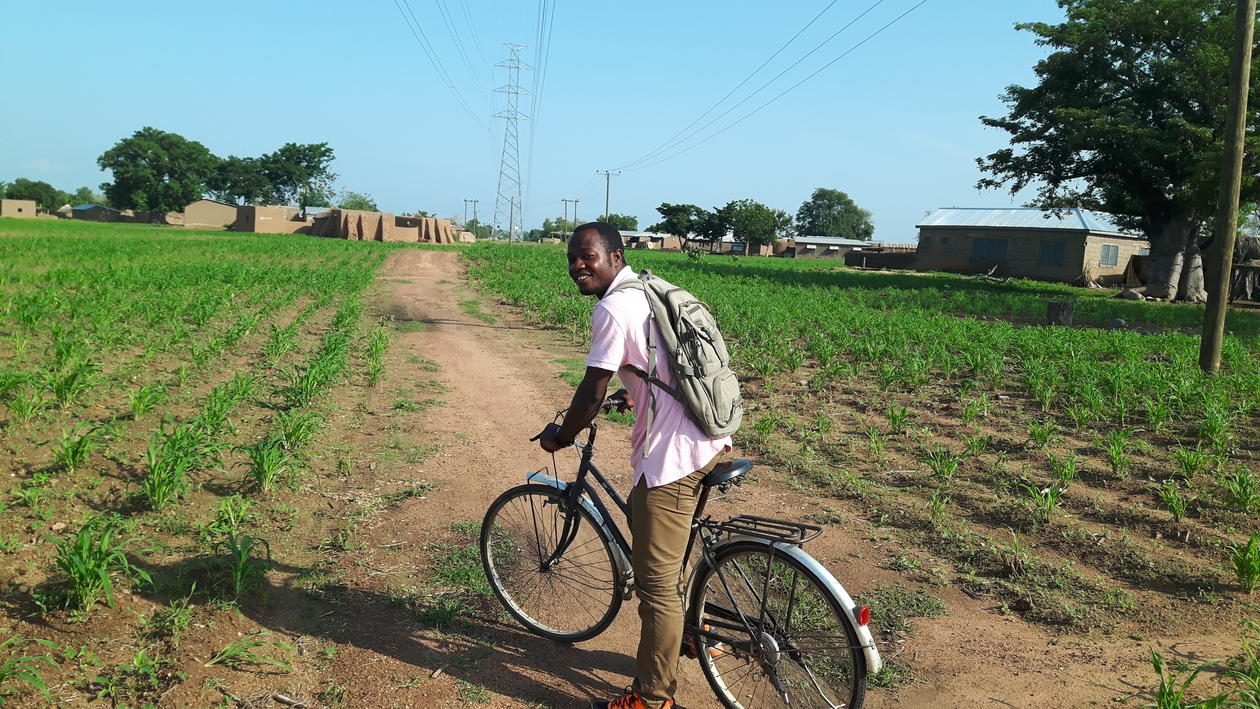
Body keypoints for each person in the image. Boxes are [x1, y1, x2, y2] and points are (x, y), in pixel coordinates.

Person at [538, 222, 732, 709]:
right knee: (666, 555)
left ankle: (652, 697)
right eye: (572, 258)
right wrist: (637, 391)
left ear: (615, 257)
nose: (577, 265)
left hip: (673, 458)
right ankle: (693, 634)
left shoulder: (612, 307)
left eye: (587, 256)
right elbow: (663, 361)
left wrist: (563, 435)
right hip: (708, 434)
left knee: (656, 587)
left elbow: (591, 389)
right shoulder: (649, 290)